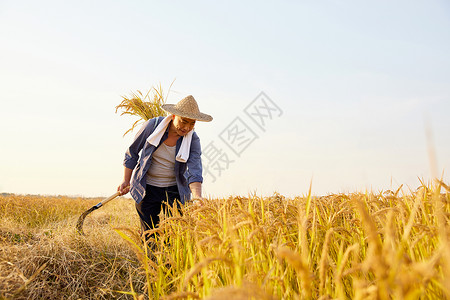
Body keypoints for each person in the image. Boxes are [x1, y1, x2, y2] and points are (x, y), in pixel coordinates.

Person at [117, 95, 213, 236]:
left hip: (175, 190)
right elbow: (132, 153)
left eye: (192, 123)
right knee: (149, 236)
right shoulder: (152, 126)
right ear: (173, 116)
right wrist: (126, 180)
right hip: (146, 188)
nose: (187, 127)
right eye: (183, 121)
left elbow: (195, 170)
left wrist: (197, 196)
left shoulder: (193, 139)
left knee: (174, 235)